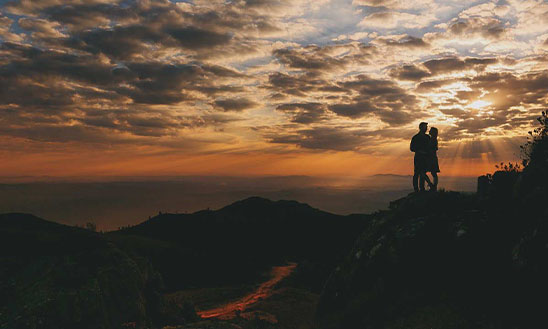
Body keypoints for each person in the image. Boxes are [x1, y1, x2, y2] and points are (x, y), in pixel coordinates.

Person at [410, 122, 430, 192]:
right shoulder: (416, 138)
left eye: (426, 127)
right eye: (425, 127)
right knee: (417, 173)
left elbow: (430, 147)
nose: (426, 128)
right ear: (421, 128)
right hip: (418, 157)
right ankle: (416, 189)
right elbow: (412, 148)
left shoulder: (427, 137)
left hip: (425, 158)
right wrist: (420, 151)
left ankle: (422, 188)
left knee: (423, 173)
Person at [426, 127, 440, 191]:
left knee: (433, 173)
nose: (429, 131)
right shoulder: (433, 139)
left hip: (431, 158)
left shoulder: (432, 139)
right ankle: (433, 186)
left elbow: (432, 148)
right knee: (433, 173)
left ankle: (433, 186)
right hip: (432, 157)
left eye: (430, 130)